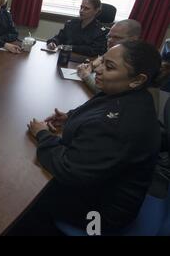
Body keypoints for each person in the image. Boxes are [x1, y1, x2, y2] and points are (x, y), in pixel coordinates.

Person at [25, 41, 169, 234]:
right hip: (103, 187)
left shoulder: (119, 125)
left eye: (109, 67)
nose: (98, 69)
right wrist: (69, 117)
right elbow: (98, 110)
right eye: (102, 61)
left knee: (23, 194)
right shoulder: (131, 94)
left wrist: (42, 134)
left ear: (137, 79)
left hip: (102, 214)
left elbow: (68, 169)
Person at [78, 19, 142, 93]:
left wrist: (86, 76)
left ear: (134, 40)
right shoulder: (117, 51)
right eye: (109, 37)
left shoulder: (134, 60)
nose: (110, 40)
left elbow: (104, 92)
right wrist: (91, 65)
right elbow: (101, 58)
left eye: (117, 38)